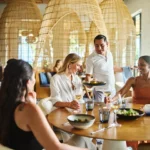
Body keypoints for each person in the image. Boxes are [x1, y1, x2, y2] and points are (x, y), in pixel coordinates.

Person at [0, 59, 87, 150]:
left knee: (81, 140)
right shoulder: (28, 110)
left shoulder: (5, 104)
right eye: (34, 78)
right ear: (28, 82)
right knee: (83, 140)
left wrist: (32, 103)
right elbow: (56, 147)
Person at [50, 53, 96, 150]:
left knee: (90, 131)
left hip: (76, 116)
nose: (80, 68)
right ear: (69, 64)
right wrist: (69, 104)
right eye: (78, 65)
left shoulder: (76, 79)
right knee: (83, 137)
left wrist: (87, 88)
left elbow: (80, 99)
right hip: (62, 117)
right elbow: (55, 101)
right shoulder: (56, 79)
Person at [108, 55, 150, 150]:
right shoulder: (133, 80)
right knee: (130, 136)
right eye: (138, 65)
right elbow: (121, 93)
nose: (139, 67)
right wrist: (111, 99)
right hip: (134, 114)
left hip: (148, 115)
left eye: (142, 65)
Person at [85, 34, 115, 102]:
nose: (99, 48)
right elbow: (88, 76)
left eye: (102, 45)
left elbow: (110, 69)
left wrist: (124, 69)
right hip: (100, 91)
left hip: (112, 89)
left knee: (112, 110)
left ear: (107, 44)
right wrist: (89, 84)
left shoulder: (110, 54)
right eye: (96, 46)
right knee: (99, 111)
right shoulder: (90, 58)